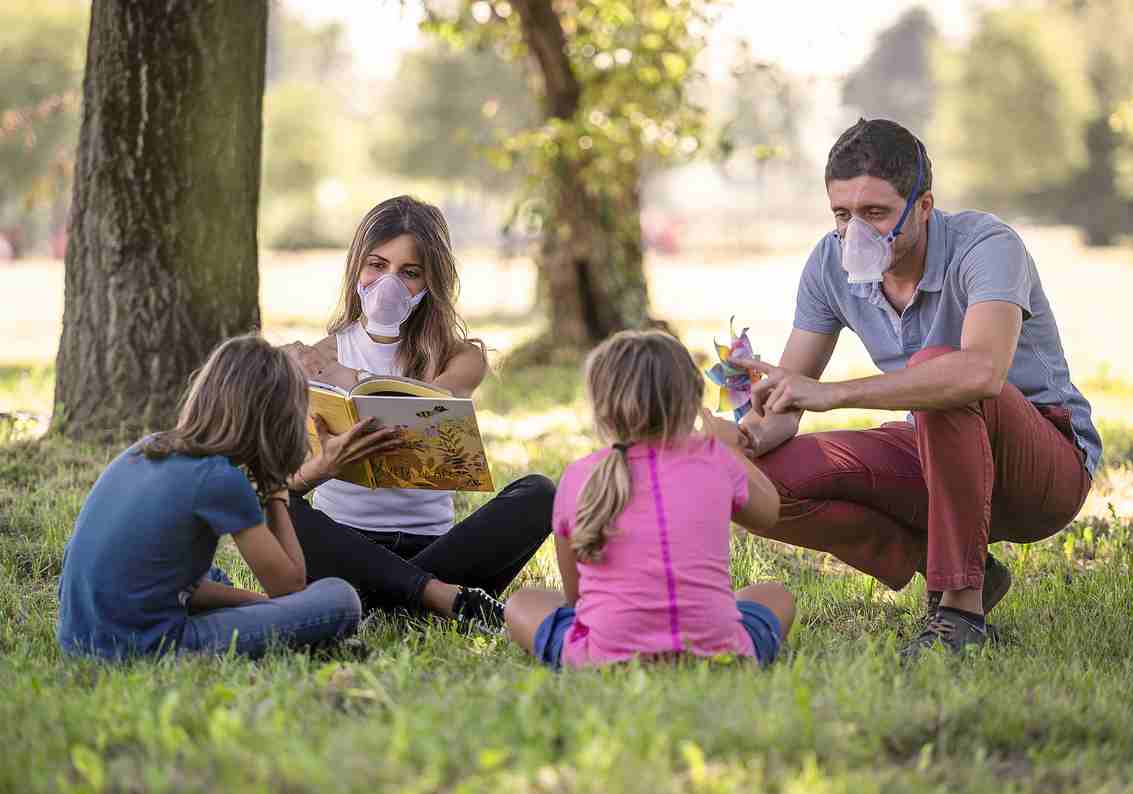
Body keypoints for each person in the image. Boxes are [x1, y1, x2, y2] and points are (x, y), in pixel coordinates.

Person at [714, 118, 1101, 658]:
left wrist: (834, 394)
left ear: (923, 206)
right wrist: (741, 441)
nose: (856, 234)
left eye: (875, 213)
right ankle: (968, 571)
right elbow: (789, 395)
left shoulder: (987, 245)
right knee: (758, 482)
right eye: (842, 215)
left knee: (941, 372)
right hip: (938, 454)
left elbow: (979, 373)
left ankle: (960, 613)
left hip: (1042, 466)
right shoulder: (829, 262)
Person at [281, 196, 554, 631]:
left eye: (409, 273)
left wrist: (341, 375)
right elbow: (287, 478)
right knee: (274, 501)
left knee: (540, 493)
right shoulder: (317, 356)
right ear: (356, 269)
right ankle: (431, 601)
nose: (388, 283)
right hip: (347, 546)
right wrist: (322, 463)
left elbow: (428, 404)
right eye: (377, 265)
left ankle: (383, 601)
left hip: (435, 547)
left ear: (432, 282)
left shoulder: (460, 356)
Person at [57, 335, 362, 660]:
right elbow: (289, 587)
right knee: (339, 599)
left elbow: (191, 583)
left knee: (209, 575)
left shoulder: (149, 447)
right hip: (147, 647)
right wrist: (276, 492)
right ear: (276, 421)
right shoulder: (220, 478)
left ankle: (277, 626)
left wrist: (271, 609)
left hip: (81, 638)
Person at [505, 330, 796, 669]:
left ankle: (617, 655)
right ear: (691, 400)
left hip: (604, 655)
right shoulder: (714, 458)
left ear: (602, 407)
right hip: (719, 649)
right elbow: (768, 513)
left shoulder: (580, 475)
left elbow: (576, 599)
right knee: (775, 595)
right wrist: (730, 448)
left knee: (522, 603)